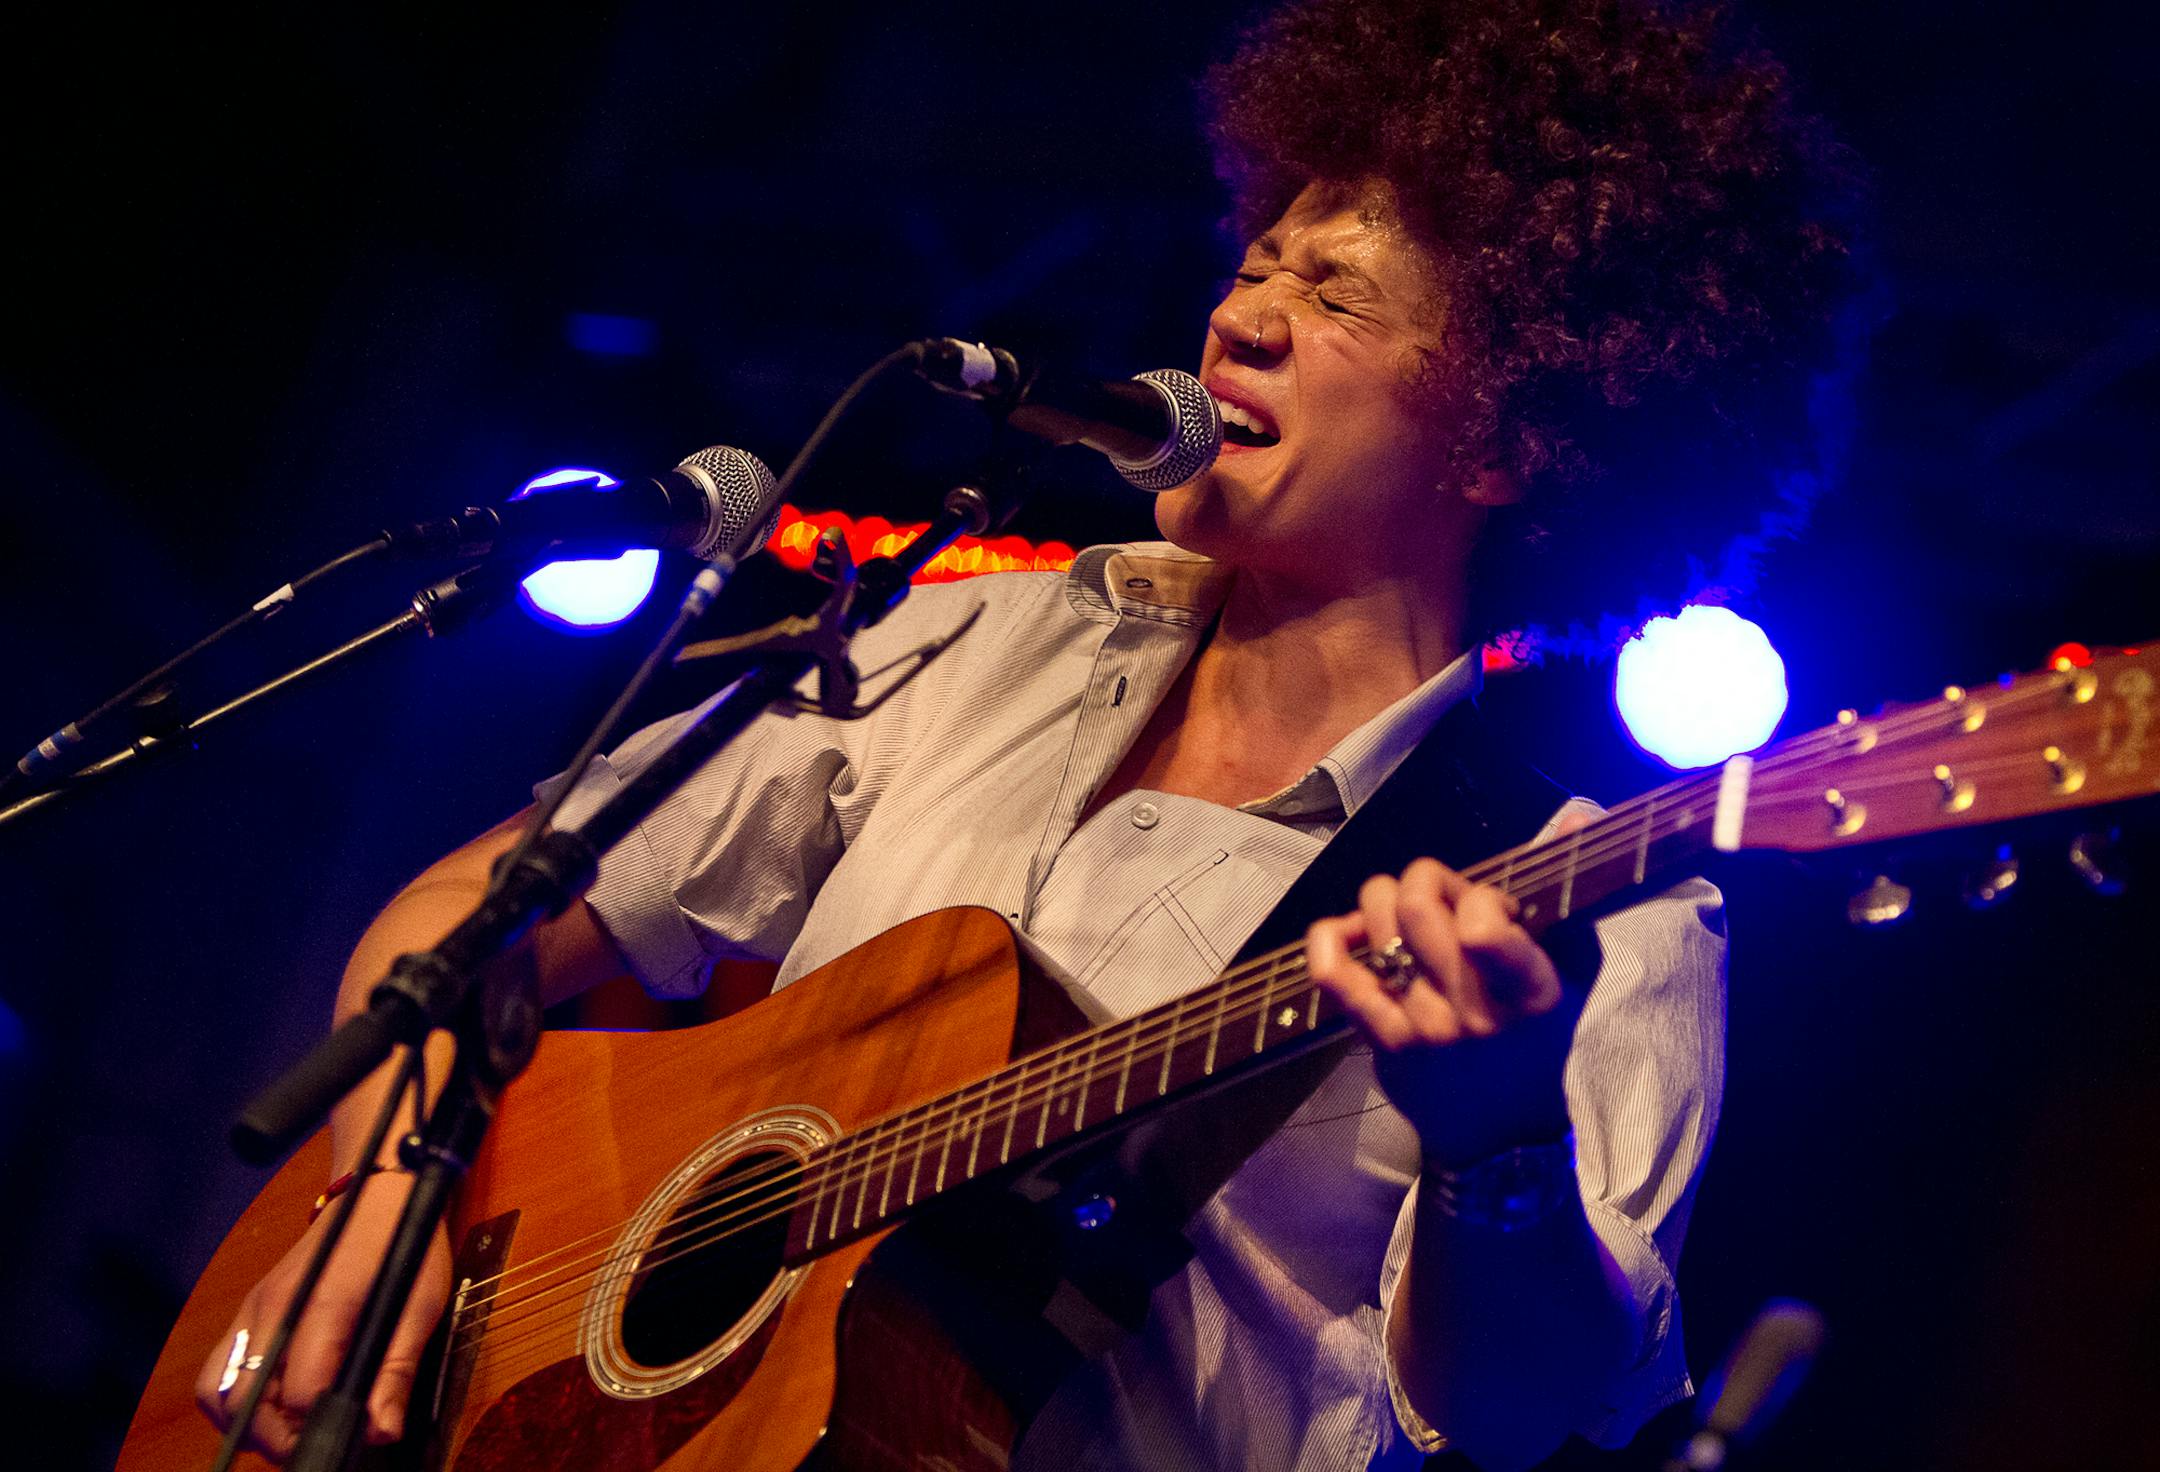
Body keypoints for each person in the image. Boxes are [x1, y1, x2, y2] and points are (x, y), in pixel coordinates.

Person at [196, 0, 1857, 1466]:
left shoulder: (1593, 898)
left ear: (1512, 433)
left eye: (1337, 298)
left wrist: (1502, 1127)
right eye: (1257, 262)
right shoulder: (969, 637)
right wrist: (385, 1203)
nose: (1241, 317)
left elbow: (1518, 1411)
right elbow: (465, 924)